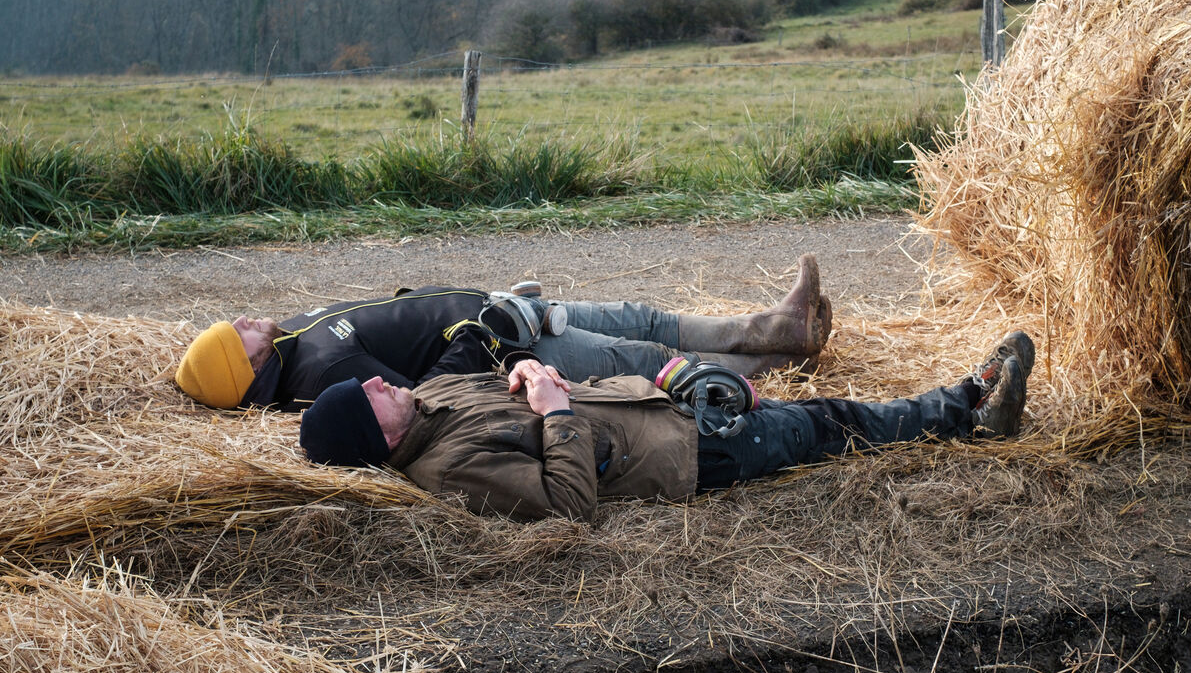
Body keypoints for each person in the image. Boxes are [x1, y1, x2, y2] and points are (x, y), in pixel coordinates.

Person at [297, 331, 1035, 522]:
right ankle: (970, 409)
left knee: (824, 415)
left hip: (654, 402)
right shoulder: (449, 470)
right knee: (826, 423)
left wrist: (525, 368)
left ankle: (964, 405)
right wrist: (555, 412)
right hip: (683, 456)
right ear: (376, 439)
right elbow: (566, 505)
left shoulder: (431, 396)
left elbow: (508, 373)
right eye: (368, 396)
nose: (377, 380)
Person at [176, 255, 832, 412]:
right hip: (514, 349)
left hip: (503, 311)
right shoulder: (318, 377)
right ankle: (777, 358)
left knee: (640, 314)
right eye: (236, 337)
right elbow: (429, 400)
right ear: (247, 371)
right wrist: (484, 334)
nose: (243, 322)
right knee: (647, 357)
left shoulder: (291, 337)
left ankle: (774, 326)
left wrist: (491, 306)